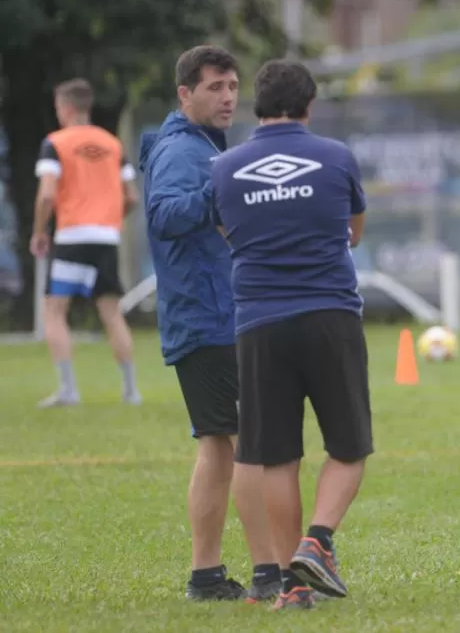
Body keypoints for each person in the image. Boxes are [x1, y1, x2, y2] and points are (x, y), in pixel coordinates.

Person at [210, 59, 373, 611]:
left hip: (258, 324)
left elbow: (225, 232)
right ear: (309, 105)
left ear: (257, 104)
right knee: (349, 448)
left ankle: (294, 586)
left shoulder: (225, 167)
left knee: (277, 457)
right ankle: (318, 541)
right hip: (330, 315)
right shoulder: (336, 157)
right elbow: (354, 230)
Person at [139, 45, 279, 602]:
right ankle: (271, 573)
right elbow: (164, 214)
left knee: (219, 449)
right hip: (208, 319)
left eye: (232, 86)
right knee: (251, 445)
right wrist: (221, 190)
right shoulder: (181, 149)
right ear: (185, 94)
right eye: (215, 87)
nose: (227, 97)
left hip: (208, 318)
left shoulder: (200, 145)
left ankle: (206, 576)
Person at [29, 78, 142, 408]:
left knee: (54, 311)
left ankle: (68, 389)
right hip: (106, 237)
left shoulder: (55, 142)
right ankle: (131, 391)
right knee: (111, 312)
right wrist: (109, 217)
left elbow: (48, 193)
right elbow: (131, 196)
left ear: (65, 108)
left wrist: (39, 231)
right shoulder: (112, 143)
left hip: (73, 236)